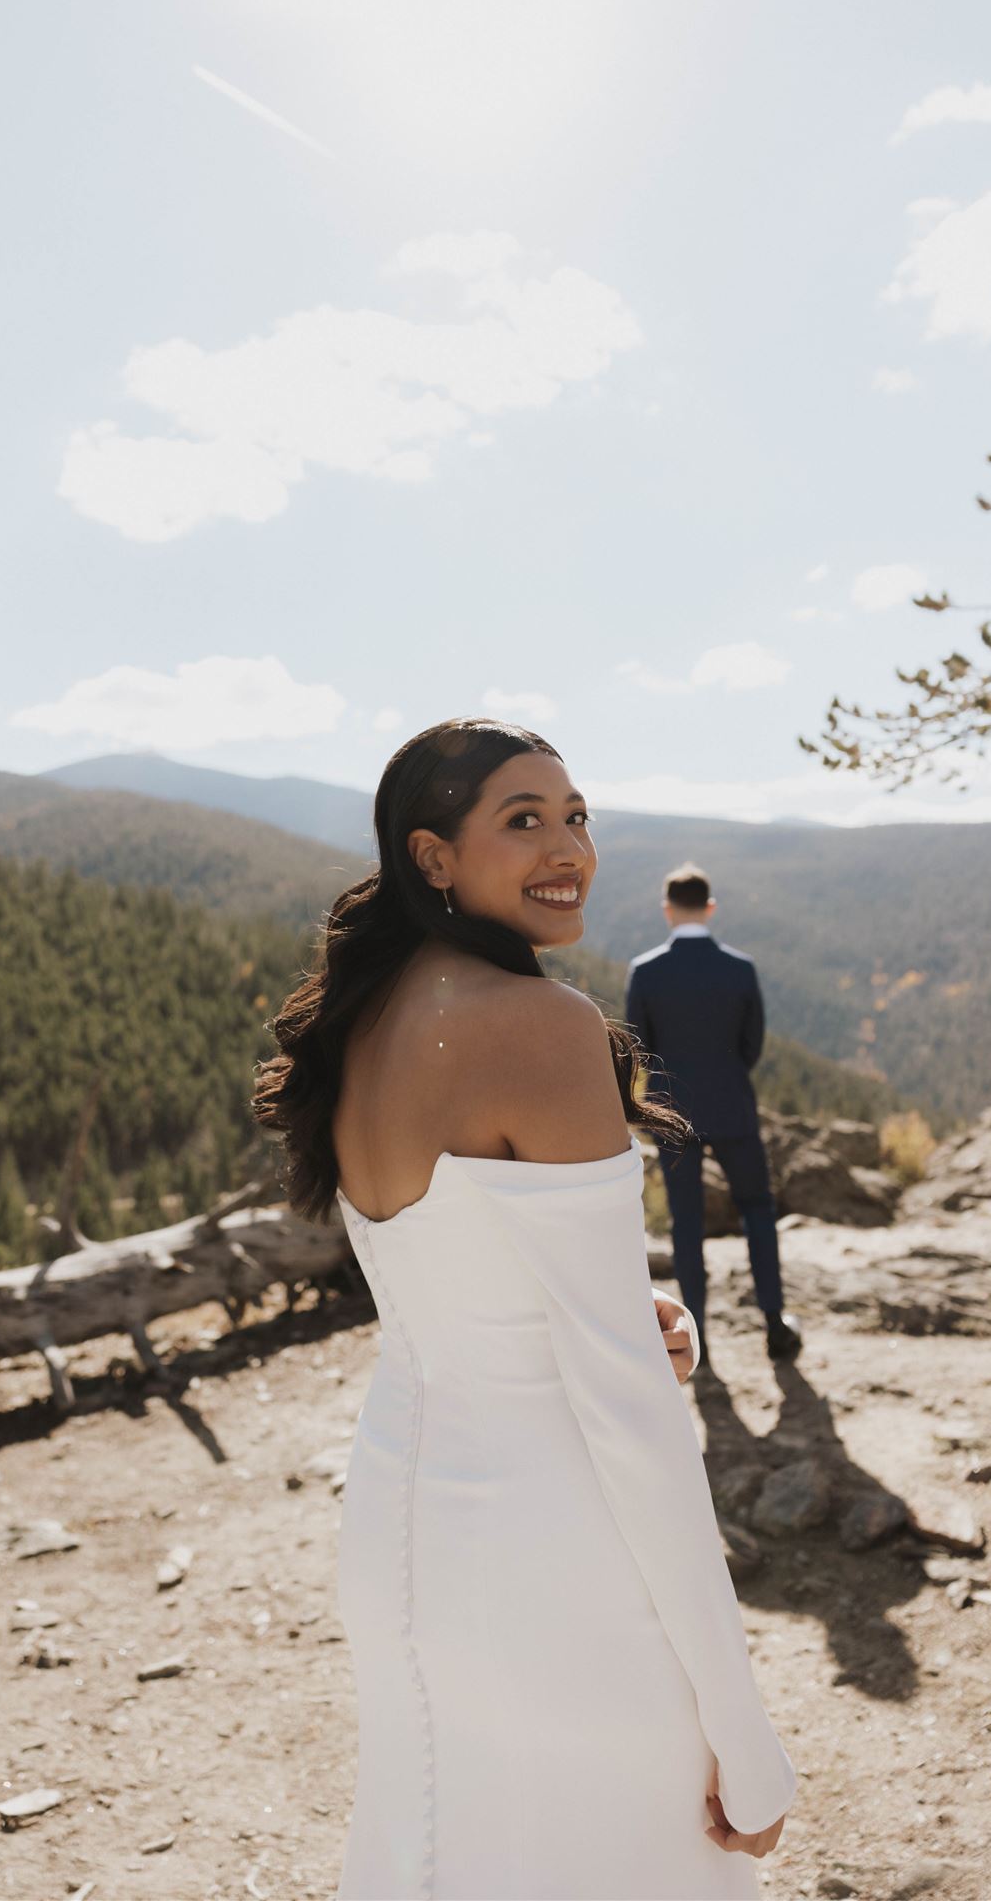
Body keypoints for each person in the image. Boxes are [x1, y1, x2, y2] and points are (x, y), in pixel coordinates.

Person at [253, 720, 795, 1901]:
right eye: (524, 818)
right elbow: (630, 1417)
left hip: (405, 1528)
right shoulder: (541, 1028)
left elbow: (456, 1280)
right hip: (554, 1550)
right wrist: (744, 1731)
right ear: (434, 857)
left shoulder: (368, 1020)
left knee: (444, 1852)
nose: (570, 847)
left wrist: (619, 1311)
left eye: (578, 813)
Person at [624, 863, 803, 1368]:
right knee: (758, 1210)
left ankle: (695, 1337)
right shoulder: (740, 969)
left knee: (687, 1223)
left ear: (667, 910)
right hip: (734, 1107)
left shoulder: (647, 971)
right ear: (710, 907)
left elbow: (641, 1048)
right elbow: (751, 1045)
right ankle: (775, 1326)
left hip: (672, 1110)